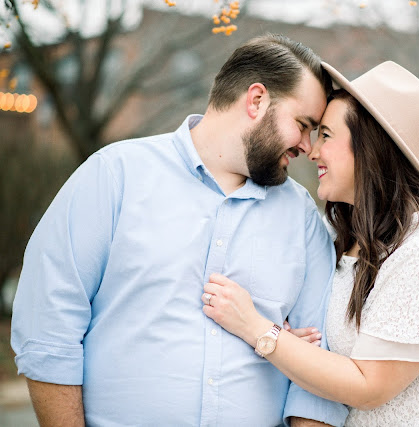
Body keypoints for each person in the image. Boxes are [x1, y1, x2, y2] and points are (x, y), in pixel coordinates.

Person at [11, 34, 348, 427]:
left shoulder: (302, 217)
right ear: (256, 100)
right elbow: (48, 330)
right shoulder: (114, 176)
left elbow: (319, 374)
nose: (308, 147)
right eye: (303, 125)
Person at [201, 61, 419, 426]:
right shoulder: (351, 236)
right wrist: (293, 342)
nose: (311, 151)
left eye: (325, 135)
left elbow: (370, 386)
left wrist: (256, 327)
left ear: (369, 148)